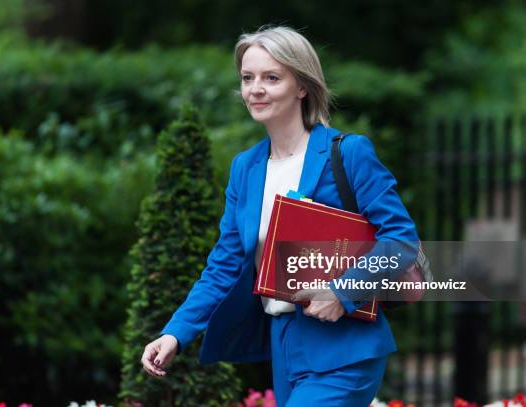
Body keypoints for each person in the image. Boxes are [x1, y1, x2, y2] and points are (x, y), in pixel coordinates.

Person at [141, 25, 419, 406]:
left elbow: (402, 241)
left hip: (345, 347)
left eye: (271, 77)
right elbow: (224, 265)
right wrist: (175, 333)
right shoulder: (246, 168)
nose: (256, 88)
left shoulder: (349, 153)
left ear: (301, 86)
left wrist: (343, 291)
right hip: (283, 345)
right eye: (247, 78)